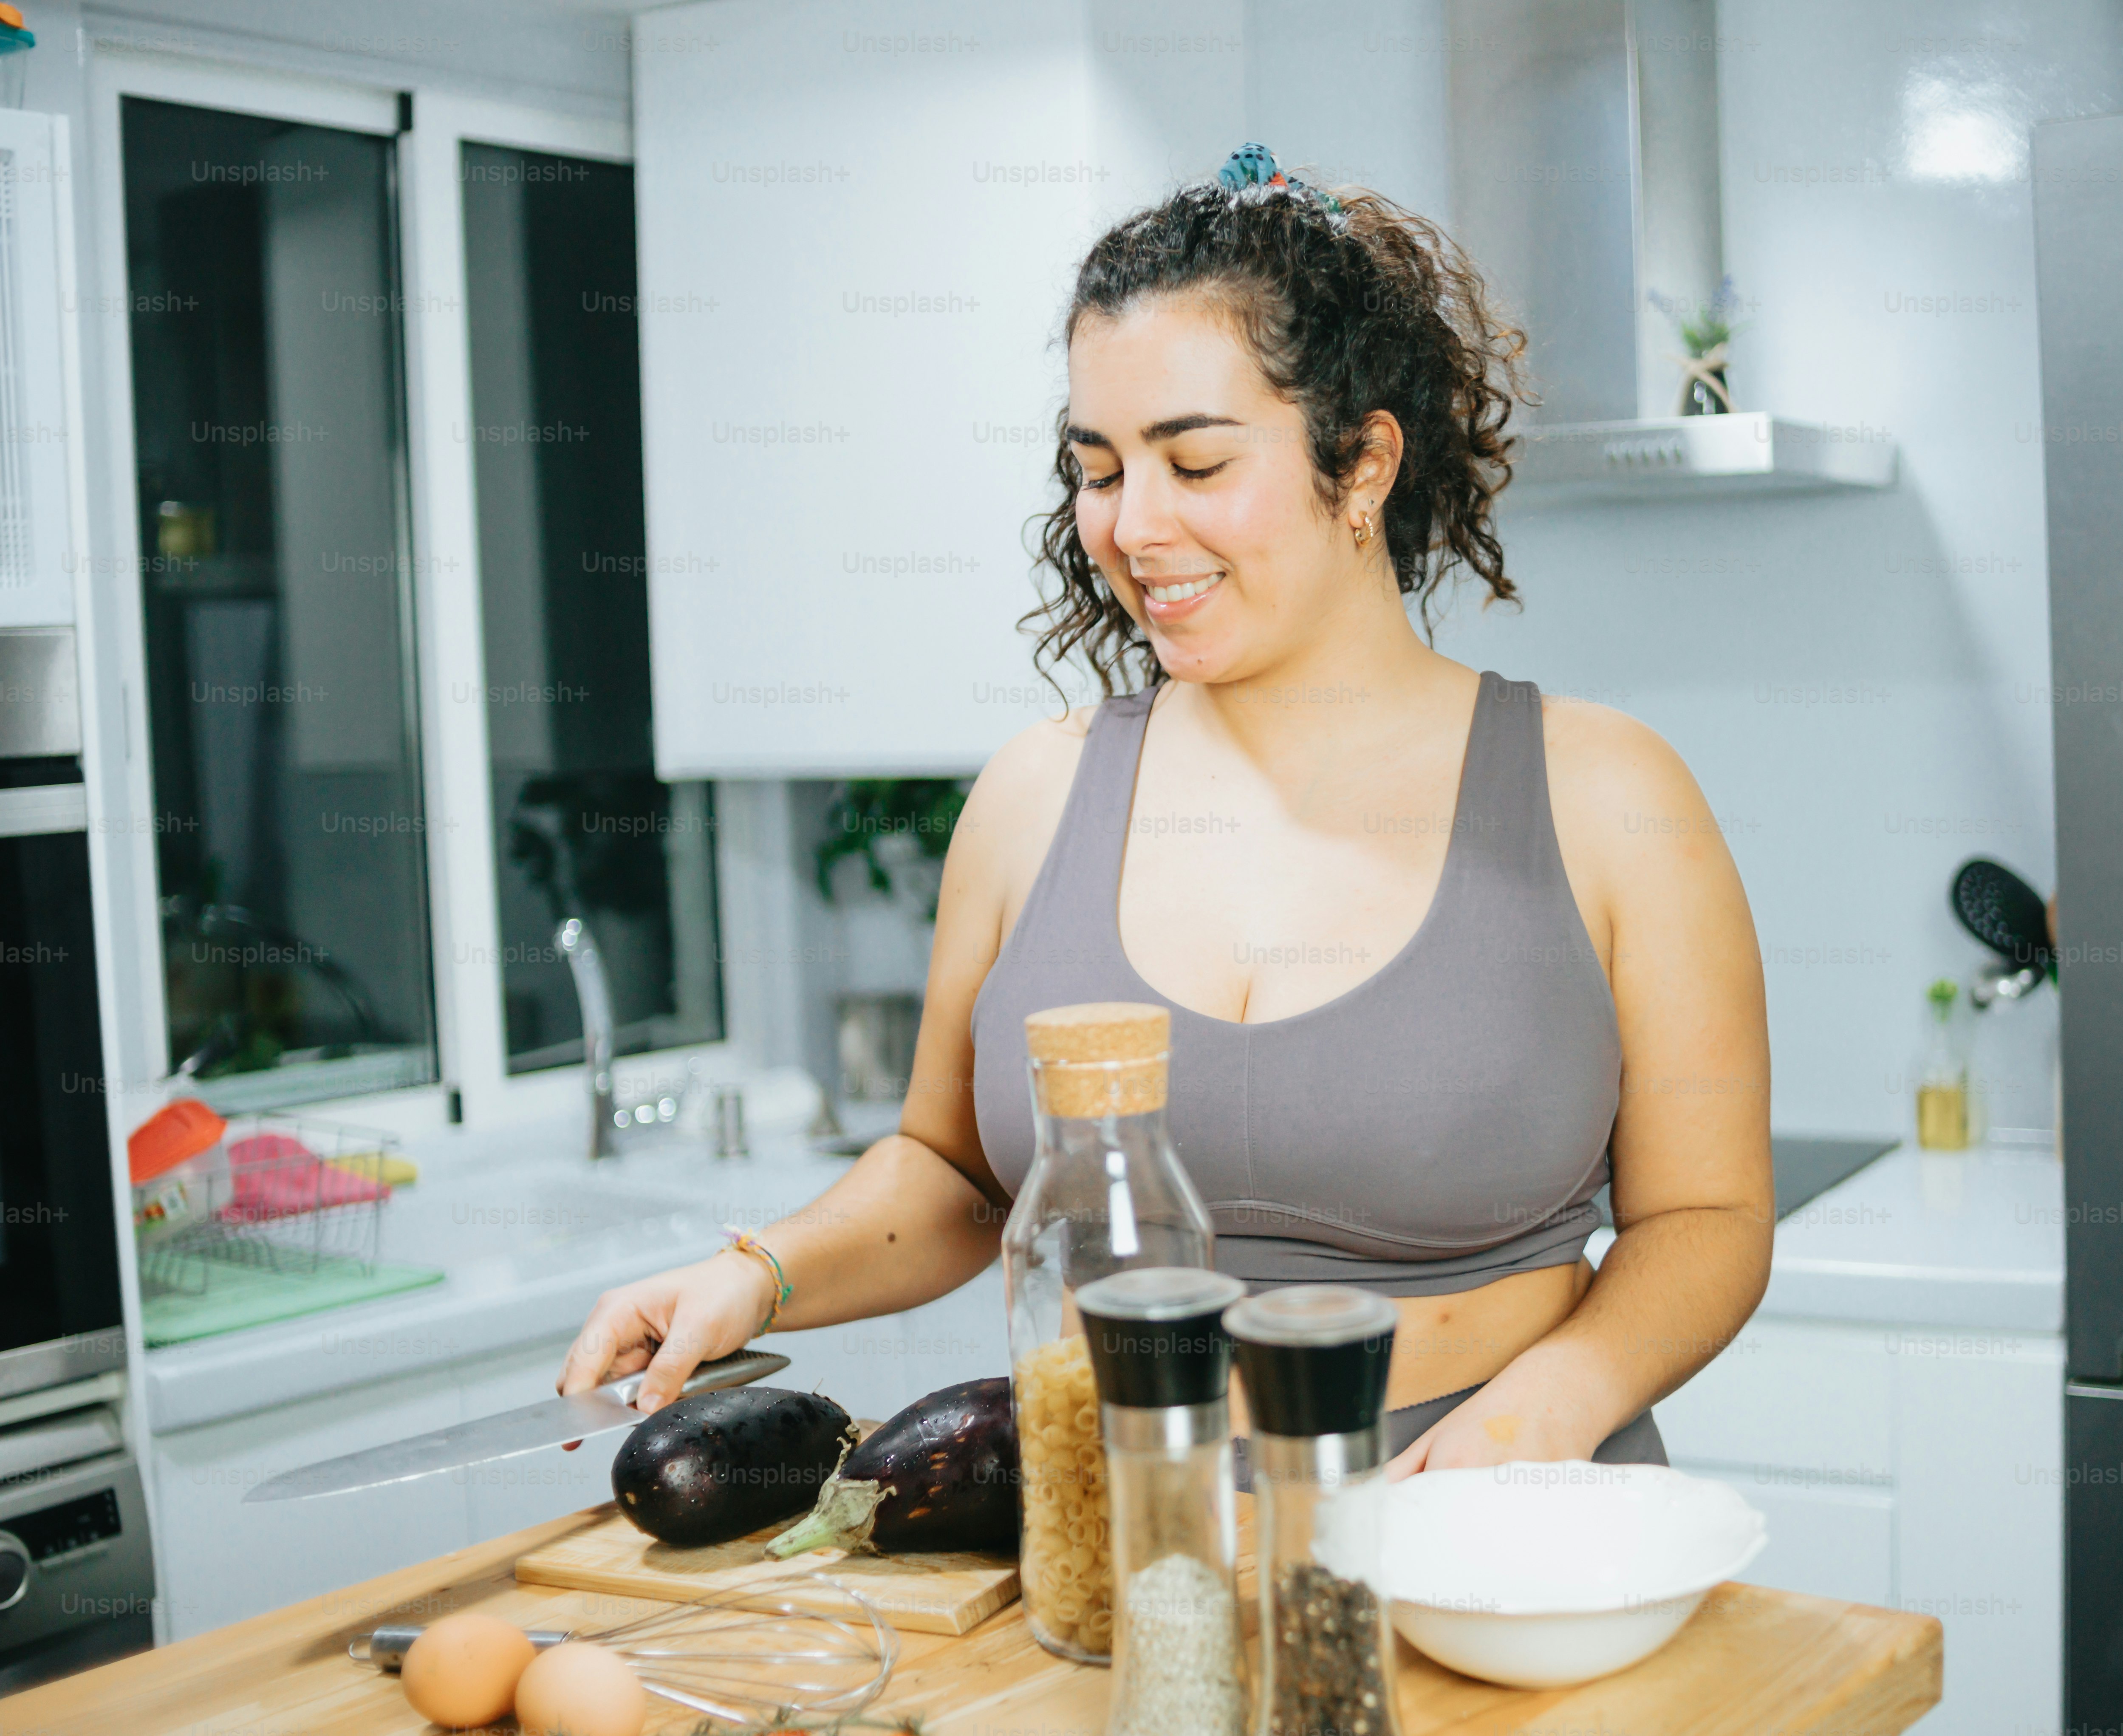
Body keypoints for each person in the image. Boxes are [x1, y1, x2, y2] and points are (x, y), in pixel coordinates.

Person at [560, 144, 1773, 1476]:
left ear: (1361, 466)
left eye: (1193, 465)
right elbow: (957, 1179)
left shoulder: (1601, 793)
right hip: (1116, 1527)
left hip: (1491, 1512)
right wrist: (761, 1274)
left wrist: (1553, 1402)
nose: (1132, 526)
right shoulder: (1036, 793)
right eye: (1098, 467)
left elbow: (1706, 1217)